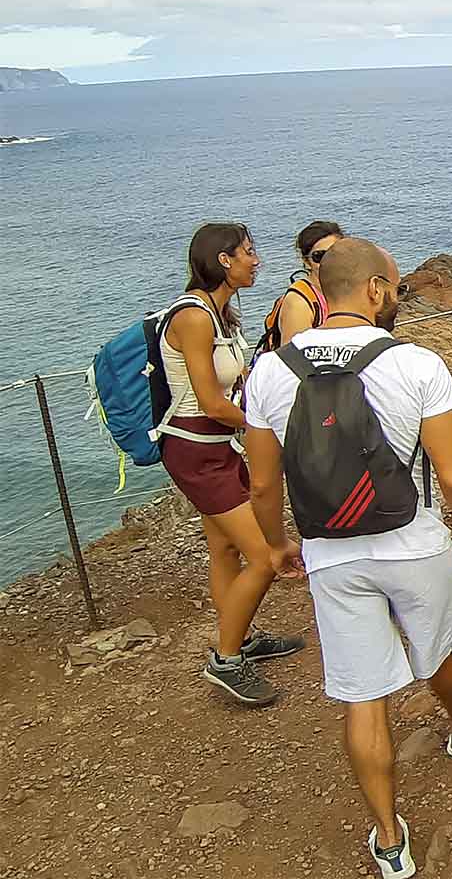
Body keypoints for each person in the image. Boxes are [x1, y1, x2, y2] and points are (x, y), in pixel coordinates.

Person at [243, 238, 452, 879]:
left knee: (362, 696)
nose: (396, 295)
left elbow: (259, 483)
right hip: (414, 542)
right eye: (392, 286)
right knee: (442, 649)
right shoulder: (416, 363)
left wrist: (277, 543)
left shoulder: (270, 371)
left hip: (330, 553)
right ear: (372, 291)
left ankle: (389, 839)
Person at [159, 222, 304, 707]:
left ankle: (239, 637)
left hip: (217, 447)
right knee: (265, 556)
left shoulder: (220, 314)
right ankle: (224, 660)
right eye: (248, 252)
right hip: (198, 450)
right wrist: (264, 428)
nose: (256, 260)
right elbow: (211, 402)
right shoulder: (196, 318)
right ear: (223, 259)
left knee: (224, 550)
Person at [258, 220, 345, 352]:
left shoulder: (348, 291)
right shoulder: (299, 302)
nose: (329, 261)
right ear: (306, 261)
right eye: (319, 256)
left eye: (335, 253)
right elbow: (293, 361)